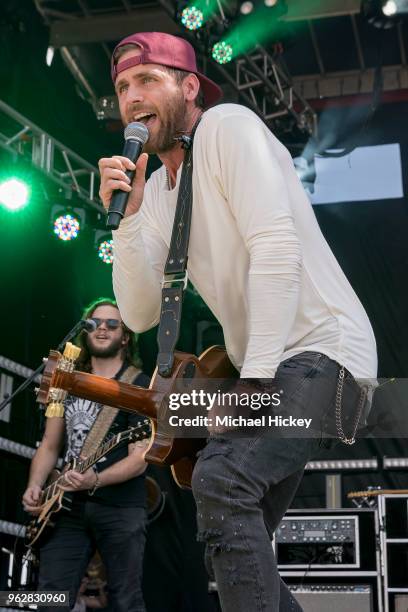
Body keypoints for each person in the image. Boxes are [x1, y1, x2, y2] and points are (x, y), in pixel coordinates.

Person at [98, 32, 377, 611]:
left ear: (189, 86)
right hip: (279, 365)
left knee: (221, 482)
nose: (131, 96)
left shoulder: (227, 126)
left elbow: (276, 247)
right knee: (228, 532)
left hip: (324, 353)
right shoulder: (154, 190)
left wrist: (255, 382)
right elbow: (140, 313)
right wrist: (126, 222)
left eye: (148, 79)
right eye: (123, 86)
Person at [22, 298, 150, 612]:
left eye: (112, 324)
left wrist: (96, 478)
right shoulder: (66, 380)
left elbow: (140, 457)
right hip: (65, 508)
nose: (102, 329)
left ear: (126, 336)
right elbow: (50, 445)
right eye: (95, 323)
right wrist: (35, 486)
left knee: (126, 601)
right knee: (50, 598)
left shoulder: (141, 387)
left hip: (121, 507)